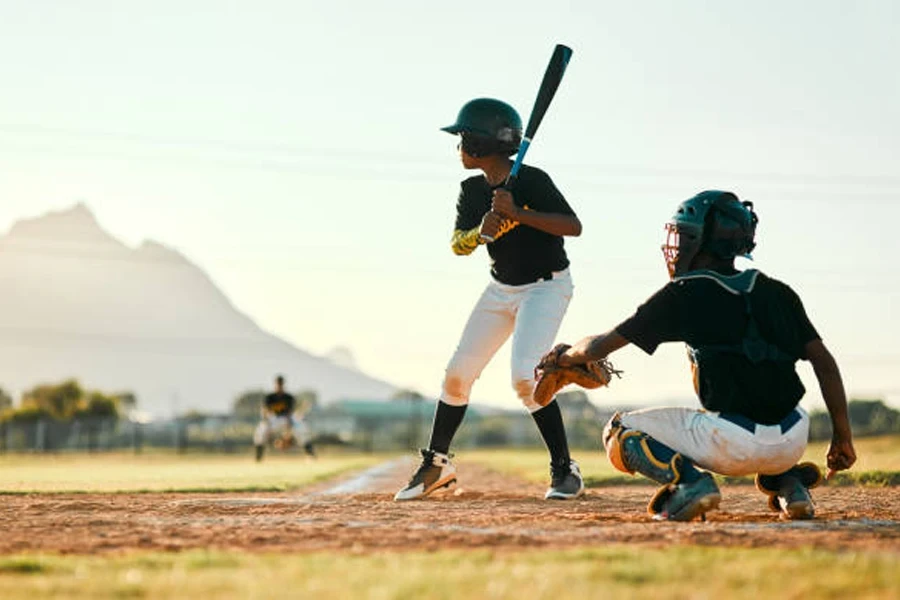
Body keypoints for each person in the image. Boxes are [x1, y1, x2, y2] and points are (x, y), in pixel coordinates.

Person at [538, 191, 856, 521]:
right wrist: (842, 436)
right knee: (762, 417)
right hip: (794, 436)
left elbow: (598, 348)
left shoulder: (684, 292)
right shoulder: (777, 290)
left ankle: (691, 484)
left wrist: (564, 357)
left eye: (682, 235)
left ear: (700, 241)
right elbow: (825, 363)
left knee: (619, 429)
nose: (675, 244)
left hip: (731, 443)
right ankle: (791, 484)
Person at [394, 97, 585, 501]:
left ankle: (565, 470)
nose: (459, 147)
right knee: (457, 374)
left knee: (524, 378)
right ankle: (438, 464)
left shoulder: (532, 181)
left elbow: (573, 226)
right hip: (501, 289)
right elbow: (458, 246)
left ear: (481, 144)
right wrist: (484, 231)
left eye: (464, 138)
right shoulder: (471, 190)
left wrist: (520, 212)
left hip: (547, 287)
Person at [253, 375, 316, 461]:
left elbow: (290, 412)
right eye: (278, 384)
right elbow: (265, 411)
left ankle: (310, 454)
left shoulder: (288, 397)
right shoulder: (270, 397)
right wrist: (266, 421)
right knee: (261, 430)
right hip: (273, 418)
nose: (279, 386)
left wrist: (288, 426)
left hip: (286, 418)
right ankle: (258, 457)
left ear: (283, 385)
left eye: (281, 384)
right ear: (275, 385)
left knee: (301, 428)